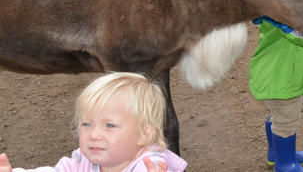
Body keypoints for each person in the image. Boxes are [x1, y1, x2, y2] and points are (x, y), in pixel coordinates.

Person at [0, 72, 186, 172]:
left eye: (110, 126)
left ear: (144, 135)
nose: (94, 135)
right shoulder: (84, 159)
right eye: (87, 124)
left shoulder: (150, 166)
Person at [248, 11, 303, 172]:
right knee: (287, 120)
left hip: (282, 78)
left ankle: (276, 153)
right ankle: (285, 164)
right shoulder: (284, 21)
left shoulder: (275, 14)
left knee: (281, 116)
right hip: (281, 81)